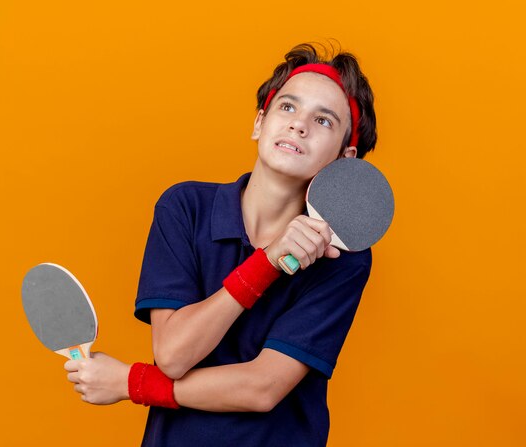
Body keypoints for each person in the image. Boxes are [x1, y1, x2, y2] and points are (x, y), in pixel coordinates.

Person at [64, 42, 378, 446]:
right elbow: (174, 355)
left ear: (344, 158)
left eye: (323, 121)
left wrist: (131, 381)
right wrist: (269, 262)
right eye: (287, 107)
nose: (299, 125)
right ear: (259, 124)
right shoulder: (185, 208)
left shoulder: (343, 256)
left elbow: (262, 389)